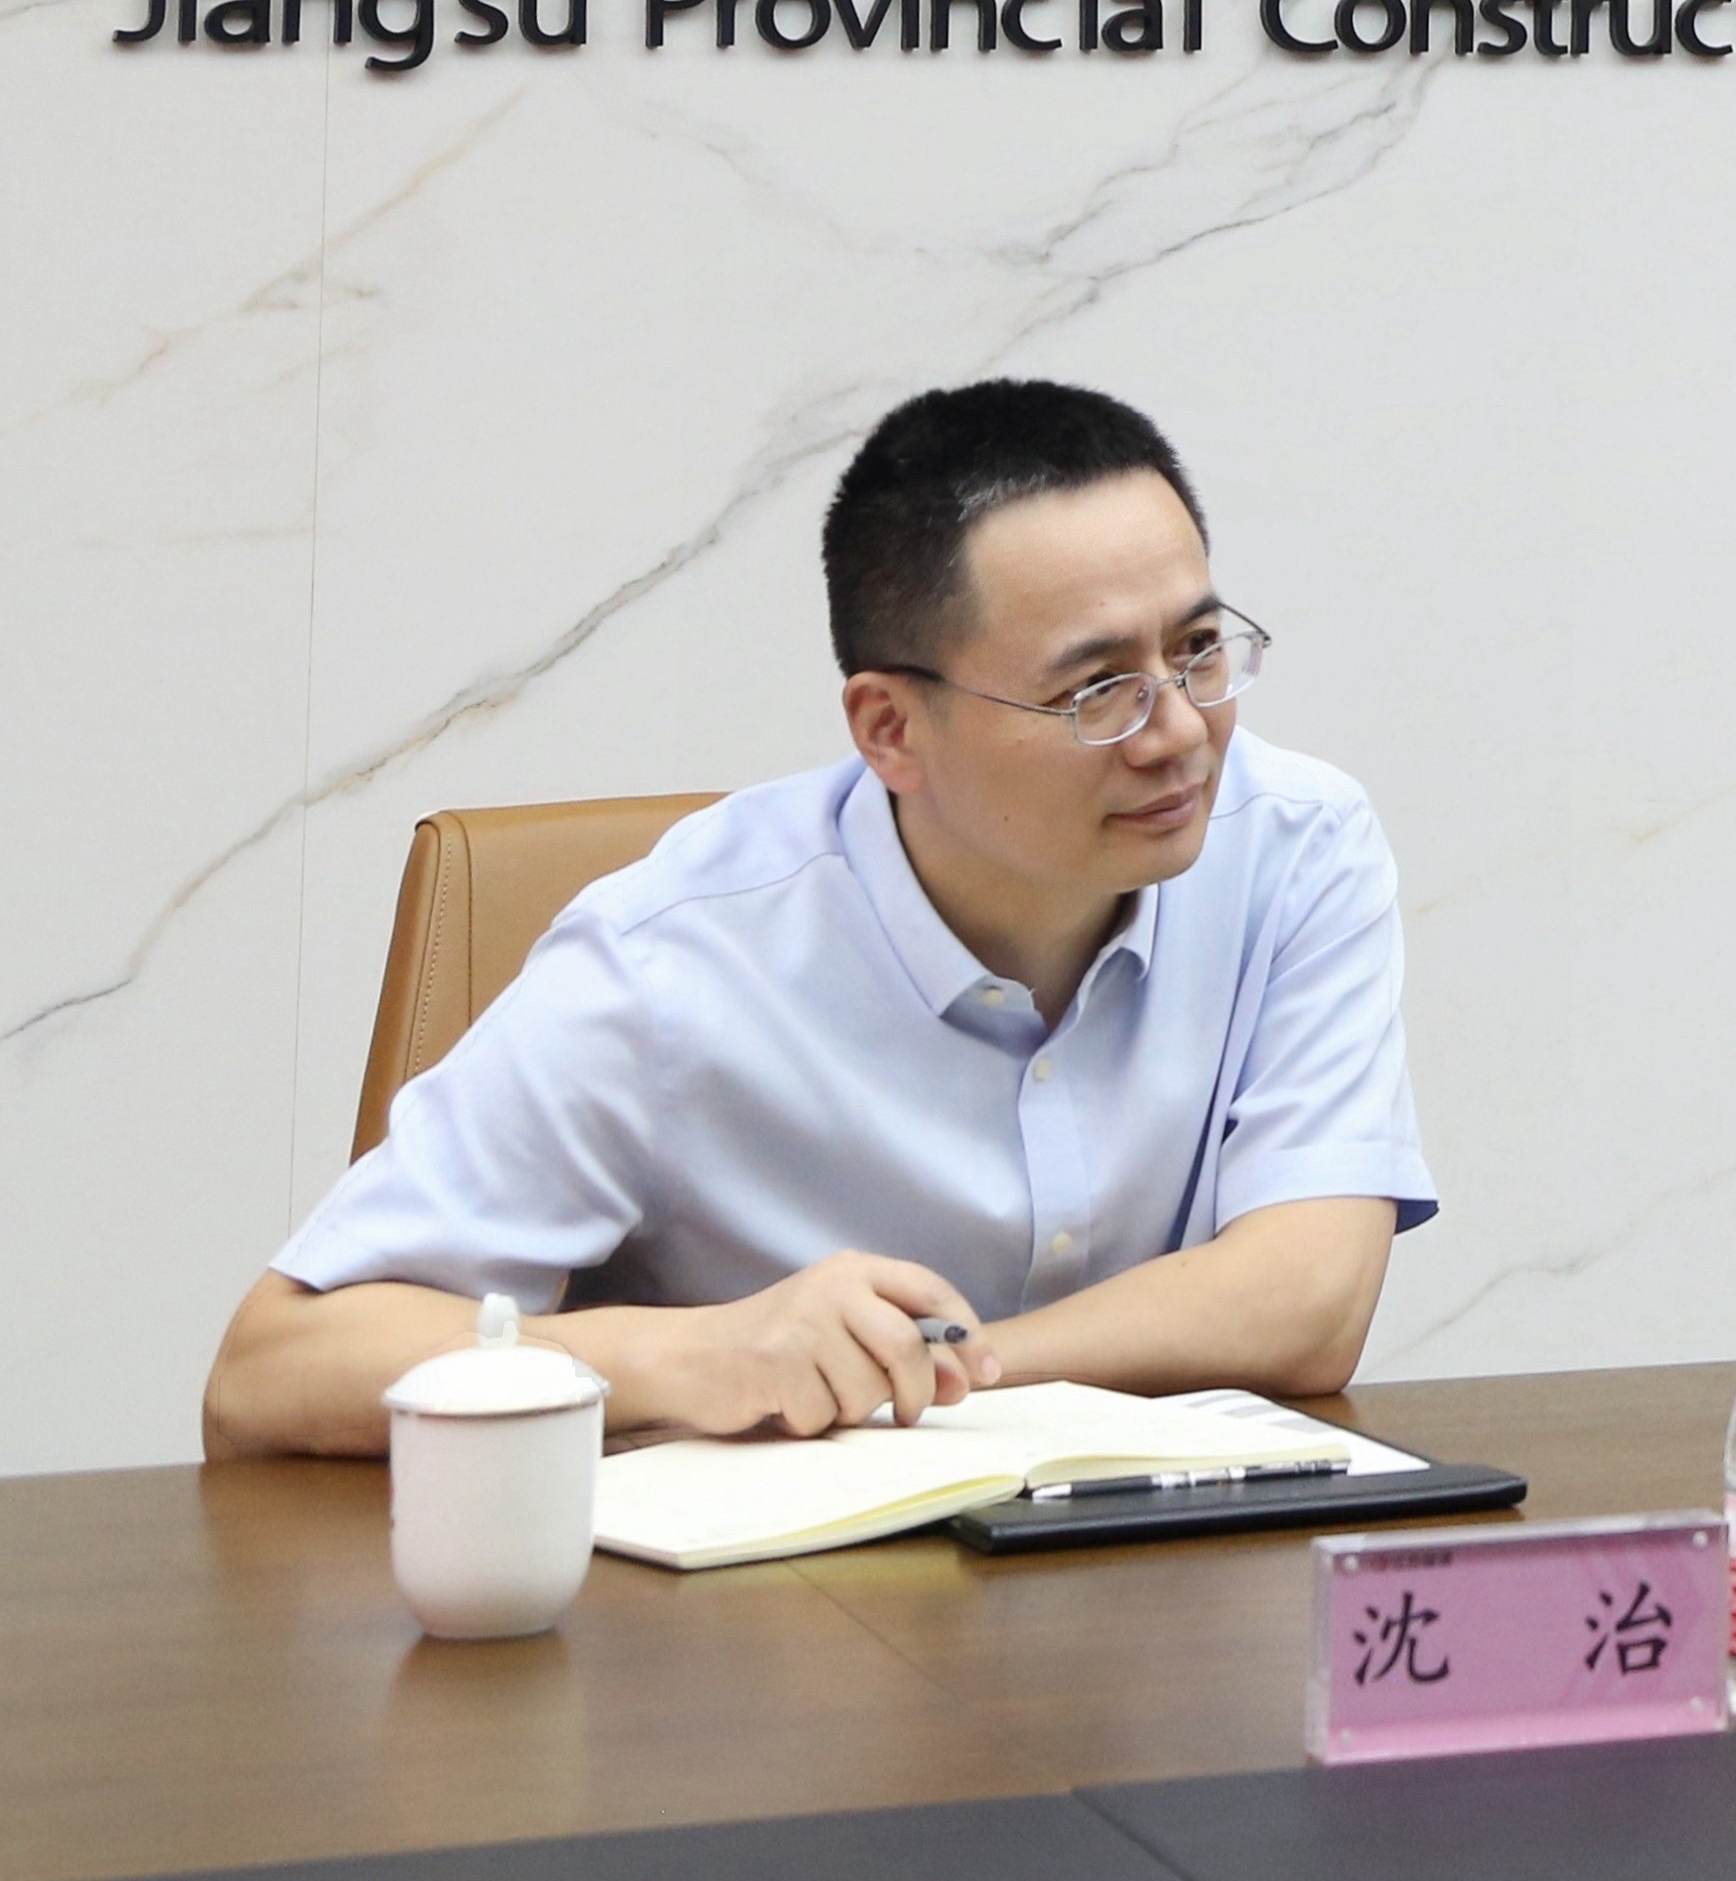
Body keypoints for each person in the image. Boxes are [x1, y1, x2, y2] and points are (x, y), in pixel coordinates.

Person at [202, 380, 1434, 1458]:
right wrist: (697, 1358)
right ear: (891, 729)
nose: (1178, 733)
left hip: (1155, 1592)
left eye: (1200, 650)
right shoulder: (671, 961)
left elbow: (1307, 1302)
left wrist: (925, 1374)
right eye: (1098, 688)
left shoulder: (1295, 845)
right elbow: (272, 1369)